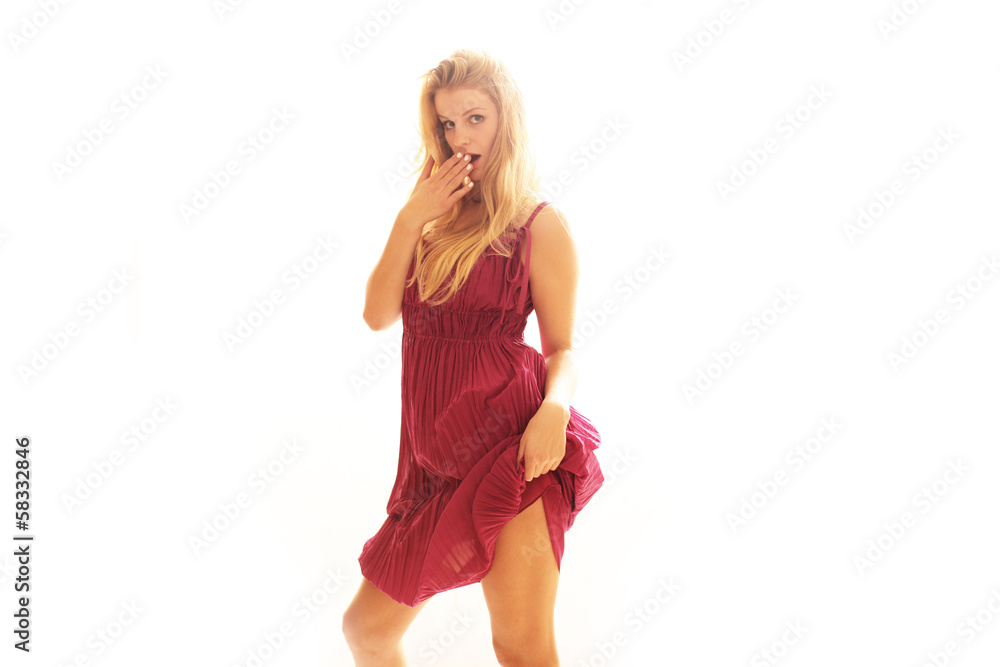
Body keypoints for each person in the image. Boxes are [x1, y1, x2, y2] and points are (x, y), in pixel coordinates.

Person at [343, 48, 604, 666]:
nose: (460, 137)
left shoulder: (540, 225)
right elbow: (377, 315)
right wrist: (410, 217)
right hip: (434, 466)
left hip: (513, 454)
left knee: (520, 648)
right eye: (447, 124)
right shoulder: (431, 221)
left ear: (505, 120)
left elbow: (563, 348)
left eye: (475, 118)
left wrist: (553, 412)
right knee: (367, 631)